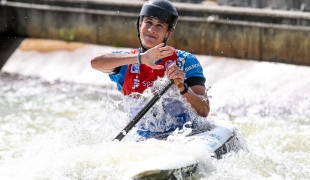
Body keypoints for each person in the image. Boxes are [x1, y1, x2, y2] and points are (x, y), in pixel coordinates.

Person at [91, 0, 210, 140]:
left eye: (159, 25)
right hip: (144, 141)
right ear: (140, 25)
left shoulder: (185, 60)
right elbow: (95, 63)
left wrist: (182, 88)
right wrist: (142, 58)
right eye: (148, 22)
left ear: (168, 33)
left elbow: (204, 110)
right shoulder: (128, 60)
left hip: (182, 137)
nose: (151, 29)